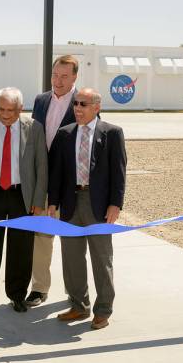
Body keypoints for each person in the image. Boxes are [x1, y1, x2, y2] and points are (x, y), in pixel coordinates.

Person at [48, 88, 127, 330]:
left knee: (101, 258)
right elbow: (57, 173)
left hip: (99, 205)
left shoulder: (112, 133)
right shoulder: (64, 134)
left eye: (83, 104)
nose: (78, 108)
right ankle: (78, 305)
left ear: (97, 107)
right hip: (71, 204)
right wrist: (53, 202)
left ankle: (103, 310)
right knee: (72, 258)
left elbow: (119, 172)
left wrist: (116, 203)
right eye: (76, 104)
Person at [0, 87, 48, 313]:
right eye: (0, 109)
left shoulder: (34, 128)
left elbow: (41, 167)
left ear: (21, 109)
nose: (5, 115)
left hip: (21, 195)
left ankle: (17, 295)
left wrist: (38, 200)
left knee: (21, 248)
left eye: (10, 110)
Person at [26, 55, 79, 307]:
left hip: (71, 186)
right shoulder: (40, 100)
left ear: (75, 78)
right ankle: (39, 288)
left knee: (72, 241)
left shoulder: (84, 102)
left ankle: (75, 291)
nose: (58, 81)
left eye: (64, 76)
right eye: (54, 75)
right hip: (43, 181)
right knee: (41, 236)